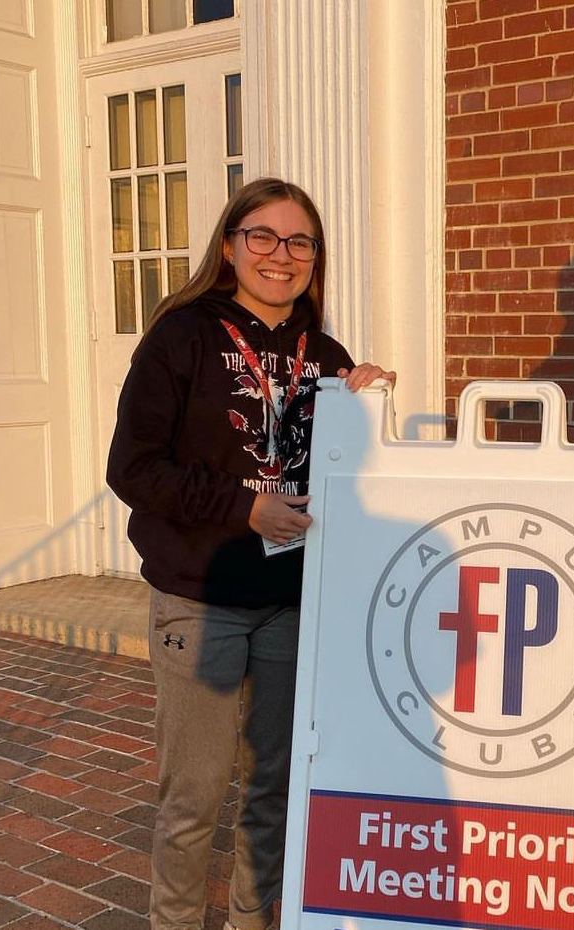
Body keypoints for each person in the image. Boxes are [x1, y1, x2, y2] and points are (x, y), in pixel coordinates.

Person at [106, 177, 395, 930]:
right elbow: (132, 469)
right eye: (261, 236)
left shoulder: (326, 354)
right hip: (199, 599)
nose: (281, 254)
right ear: (230, 247)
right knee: (194, 797)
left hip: (293, 603)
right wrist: (246, 507)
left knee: (271, 787)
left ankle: (249, 922)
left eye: (299, 240)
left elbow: (352, 477)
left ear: (315, 258)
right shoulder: (182, 336)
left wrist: (368, 407)